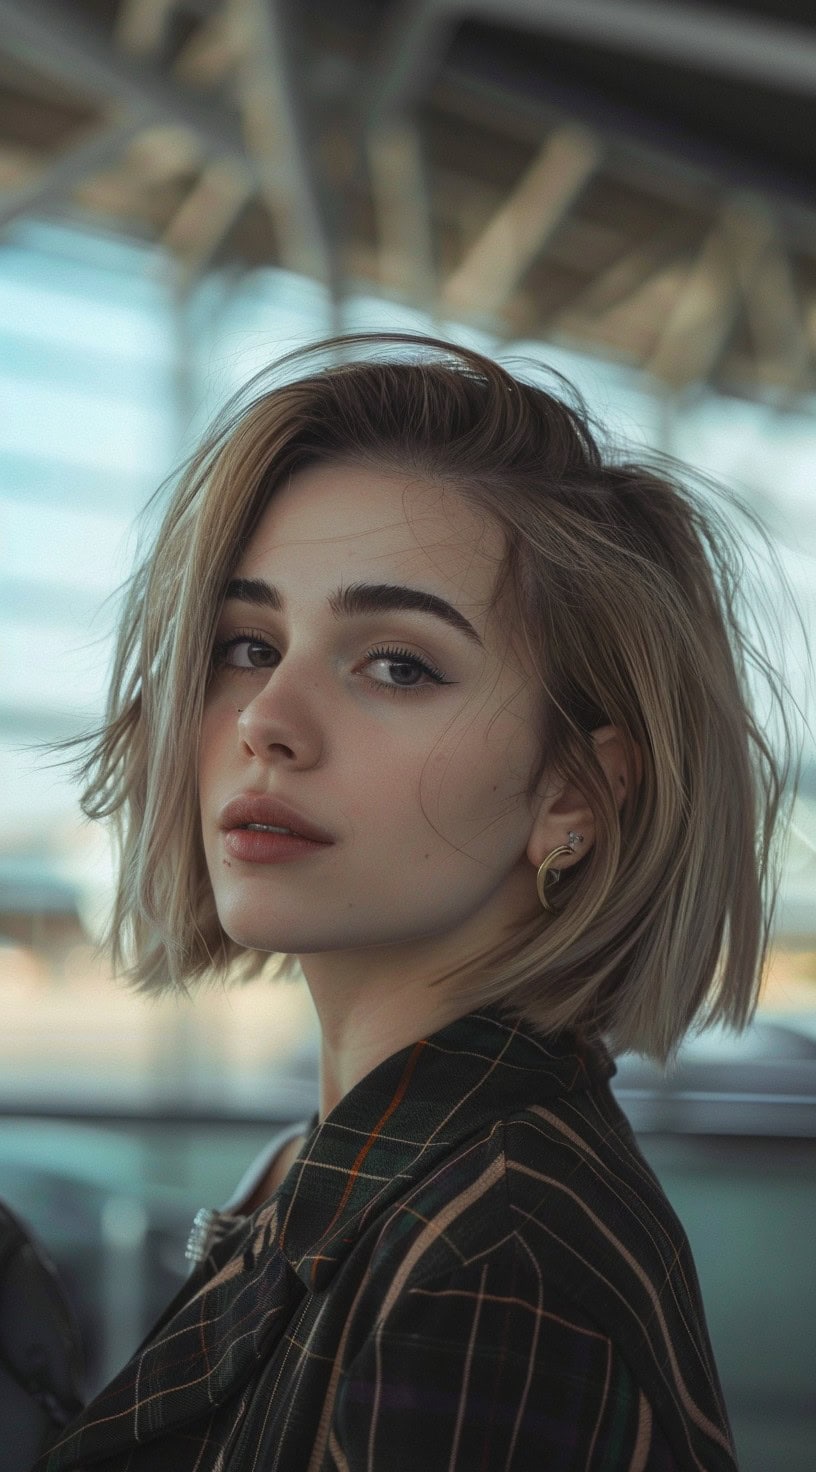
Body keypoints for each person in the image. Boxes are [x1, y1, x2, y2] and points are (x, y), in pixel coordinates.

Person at [33, 333, 795, 1471]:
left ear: (574, 793)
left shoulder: (494, 1260)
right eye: (248, 643)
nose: (266, 719)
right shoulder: (326, 1170)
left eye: (398, 664)